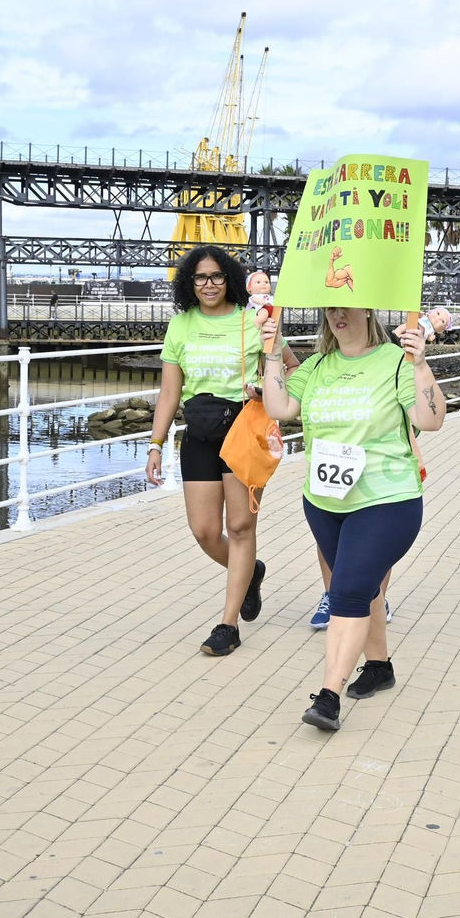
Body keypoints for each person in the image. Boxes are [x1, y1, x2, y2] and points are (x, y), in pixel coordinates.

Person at [261, 306, 446, 731]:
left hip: (387, 499)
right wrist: (272, 351)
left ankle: (328, 696)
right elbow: (279, 407)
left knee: (345, 593)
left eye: (346, 306)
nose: (337, 314)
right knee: (363, 588)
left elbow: (431, 420)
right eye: (330, 308)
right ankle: (379, 666)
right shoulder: (316, 366)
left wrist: (419, 364)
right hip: (325, 501)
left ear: (367, 309)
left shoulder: (395, 361)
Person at [146, 246, 300, 656]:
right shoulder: (180, 325)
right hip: (199, 433)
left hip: (244, 431)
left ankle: (228, 626)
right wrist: (155, 444)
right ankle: (251, 572)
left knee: (241, 527)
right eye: (200, 277)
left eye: (216, 276)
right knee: (204, 531)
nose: (209, 284)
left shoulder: (254, 319)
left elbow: (292, 367)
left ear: (229, 278)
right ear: (189, 282)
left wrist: (267, 391)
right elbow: (169, 393)